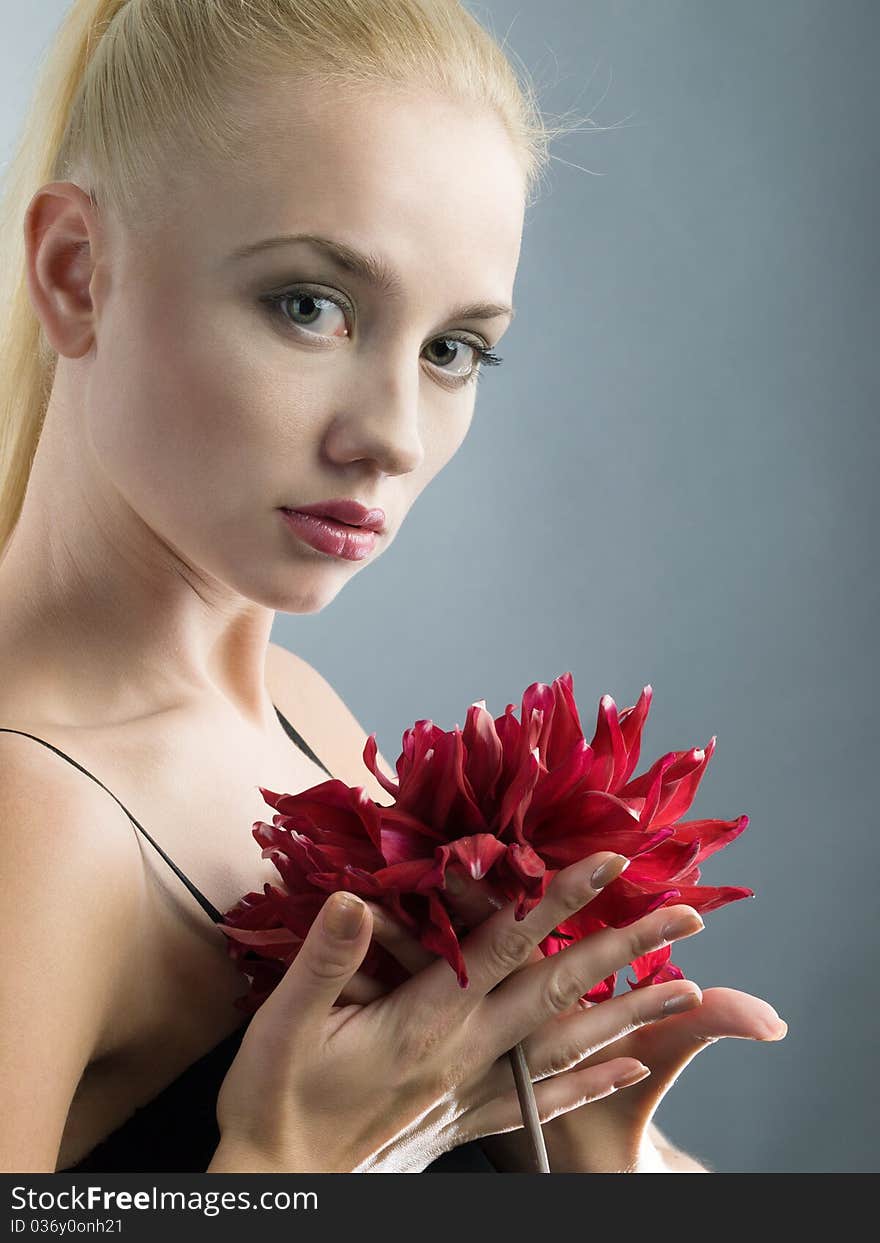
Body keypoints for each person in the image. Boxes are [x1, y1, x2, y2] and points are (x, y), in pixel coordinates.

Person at [0, 0, 786, 1175]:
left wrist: (585, 1152)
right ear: (77, 274)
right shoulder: (30, 815)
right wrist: (292, 1164)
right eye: (309, 306)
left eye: (452, 350)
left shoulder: (300, 712)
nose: (395, 437)